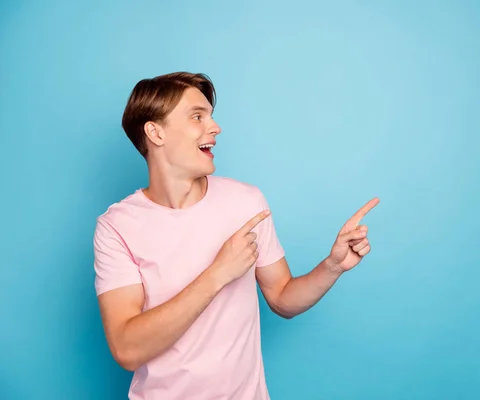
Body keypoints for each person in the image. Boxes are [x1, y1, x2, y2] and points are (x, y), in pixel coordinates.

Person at [93, 71, 379, 399]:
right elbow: (127, 349)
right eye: (197, 117)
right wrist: (217, 274)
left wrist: (332, 266)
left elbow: (283, 297)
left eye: (211, 117)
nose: (215, 128)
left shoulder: (245, 203)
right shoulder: (117, 227)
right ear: (155, 132)